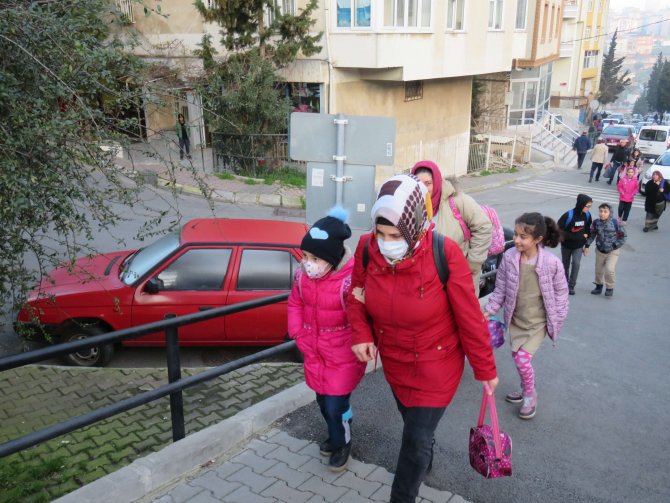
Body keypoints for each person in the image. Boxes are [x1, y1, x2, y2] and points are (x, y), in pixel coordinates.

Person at [348, 174, 498, 503]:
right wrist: (360, 333)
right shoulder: (366, 249)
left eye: (395, 235)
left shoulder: (444, 253)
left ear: (416, 225)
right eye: (381, 232)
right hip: (396, 362)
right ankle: (423, 451)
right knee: (415, 429)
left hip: (436, 365)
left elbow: (470, 317)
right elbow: (356, 297)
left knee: (414, 438)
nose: (386, 241)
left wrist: (485, 369)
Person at [287, 208, 366, 472]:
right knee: (323, 401)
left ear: (332, 257)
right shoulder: (302, 276)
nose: (308, 262)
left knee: (334, 405)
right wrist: (297, 332)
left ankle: (342, 442)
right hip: (315, 351)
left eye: (314, 258)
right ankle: (337, 430)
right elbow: (295, 303)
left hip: (342, 354)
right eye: (305, 256)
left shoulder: (350, 280)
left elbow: (361, 315)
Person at [484, 213, 569, 420]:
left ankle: (530, 394)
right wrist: (490, 309)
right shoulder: (510, 257)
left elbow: (561, 293)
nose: (517, 240)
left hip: (537, 323)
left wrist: (557, 317)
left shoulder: (551, 262)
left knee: (522, 360)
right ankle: (525, 389)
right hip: (517, 320)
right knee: (517, 358)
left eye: (524, 236)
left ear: (538, 239)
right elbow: (501, 288)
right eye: (516, 234)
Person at [410, 161, 492, 294]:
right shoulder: (412, 205)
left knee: (462, 312)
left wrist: (472, 263)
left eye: (428, 183)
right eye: (419, 183)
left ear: (436, 182)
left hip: (460, 278)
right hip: (428, 282)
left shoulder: (457, 200)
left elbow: (484, 227)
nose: (423, 188)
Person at [585, 203, 627, 297]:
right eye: (601, 211)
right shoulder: (596, 222)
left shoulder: (616, 223)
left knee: (609, 269)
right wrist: (587, 245)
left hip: (613, 251)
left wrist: (615, 245)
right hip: (600, 251)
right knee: (598, 270)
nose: (602, 214)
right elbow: (592, 235)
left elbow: (623, 237)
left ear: (610, 213)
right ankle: (598, 286)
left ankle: (610, 287)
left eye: (605, 212)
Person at [557, 194, 593, 295]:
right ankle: (564, 283)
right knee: (565, 265)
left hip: (578, 246)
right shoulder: (568, 215)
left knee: (576, 264)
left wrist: (586, 244)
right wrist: (575, 237)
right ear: (581, 204)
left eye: (590, 206)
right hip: (566, 245)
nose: (589, 208)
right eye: (588, 206)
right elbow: (558, 230)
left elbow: (588, 229)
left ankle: (571, 285)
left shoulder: (587, 215)